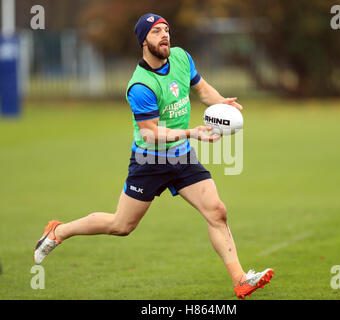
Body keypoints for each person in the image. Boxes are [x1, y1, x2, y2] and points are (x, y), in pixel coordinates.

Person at [34, 13, 273, 299]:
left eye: (166, 30)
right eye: (156, 31)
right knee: (121, 226)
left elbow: (202, 89)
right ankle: (59, 231)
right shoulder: (140, 85)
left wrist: (221, 102)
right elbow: (150, 132)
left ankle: (240, 280)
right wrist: (191, 133)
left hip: (182, 157)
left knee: (217, 211)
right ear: (143, 41)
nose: (164, 35)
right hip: (150, 161)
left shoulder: (182, 58)